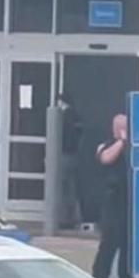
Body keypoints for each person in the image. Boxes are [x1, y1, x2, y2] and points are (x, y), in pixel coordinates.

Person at [92, 113, 135, 278]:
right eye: (122, 127)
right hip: (112, 204)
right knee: (108, 247)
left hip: (130, 204)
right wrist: (121, 142)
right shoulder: (107, 145)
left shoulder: (133, 148)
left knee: (128, 251)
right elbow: (105, 158)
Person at [58, 93, 84, 229]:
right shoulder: (76, 116)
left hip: (65, 154)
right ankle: (75, 218)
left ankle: (64, 219)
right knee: (72, 188)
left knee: (63, 188)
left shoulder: (63, 117)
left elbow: (62, 136)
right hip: (74, 155)